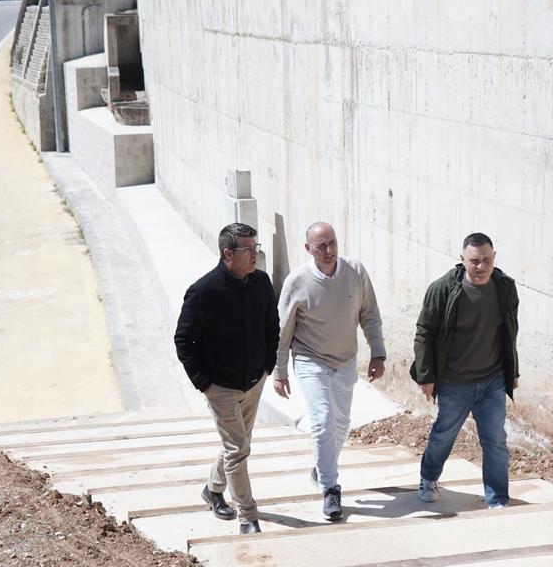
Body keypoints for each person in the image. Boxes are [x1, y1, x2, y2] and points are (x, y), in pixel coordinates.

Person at [272, 222, 385, 520]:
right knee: (322, 421)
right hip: (310, 360)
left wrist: (378, 352)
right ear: (308, 248)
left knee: (342, 424)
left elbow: (369, 314)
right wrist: (279, 370)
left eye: (332, 243)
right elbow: (283, 330)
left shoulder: (356, 272)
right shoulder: (297, 282)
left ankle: (321, 469)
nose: (329, 250)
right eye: (321, 245)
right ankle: (330, 489)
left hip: (345, 360)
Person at [174, 222, 278, 535]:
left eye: (256, 248)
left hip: (253, 380)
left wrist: (268, 364)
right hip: (220, 386)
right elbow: (183, 340)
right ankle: (248, 516)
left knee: (238, 443)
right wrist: (204, 383)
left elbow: (271, 325)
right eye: (249, 250)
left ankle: (212, 489)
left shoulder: (261, 283)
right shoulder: (203, 291)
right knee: (237, 450)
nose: (255, 256)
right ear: (228, 254)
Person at [411, 232, 519, 508]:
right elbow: (425, 333)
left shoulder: (505, 288)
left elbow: (509, 332)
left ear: (494, 258)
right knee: (444, 434)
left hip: (492, 380)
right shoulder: (443, 289)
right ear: (462, 260)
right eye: (474, 261)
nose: (481, 267)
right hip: (454, 382)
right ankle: (428, 477)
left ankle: (497, 499)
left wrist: (512, 371)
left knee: (495, 440)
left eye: (486, 260)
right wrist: (426, 376)